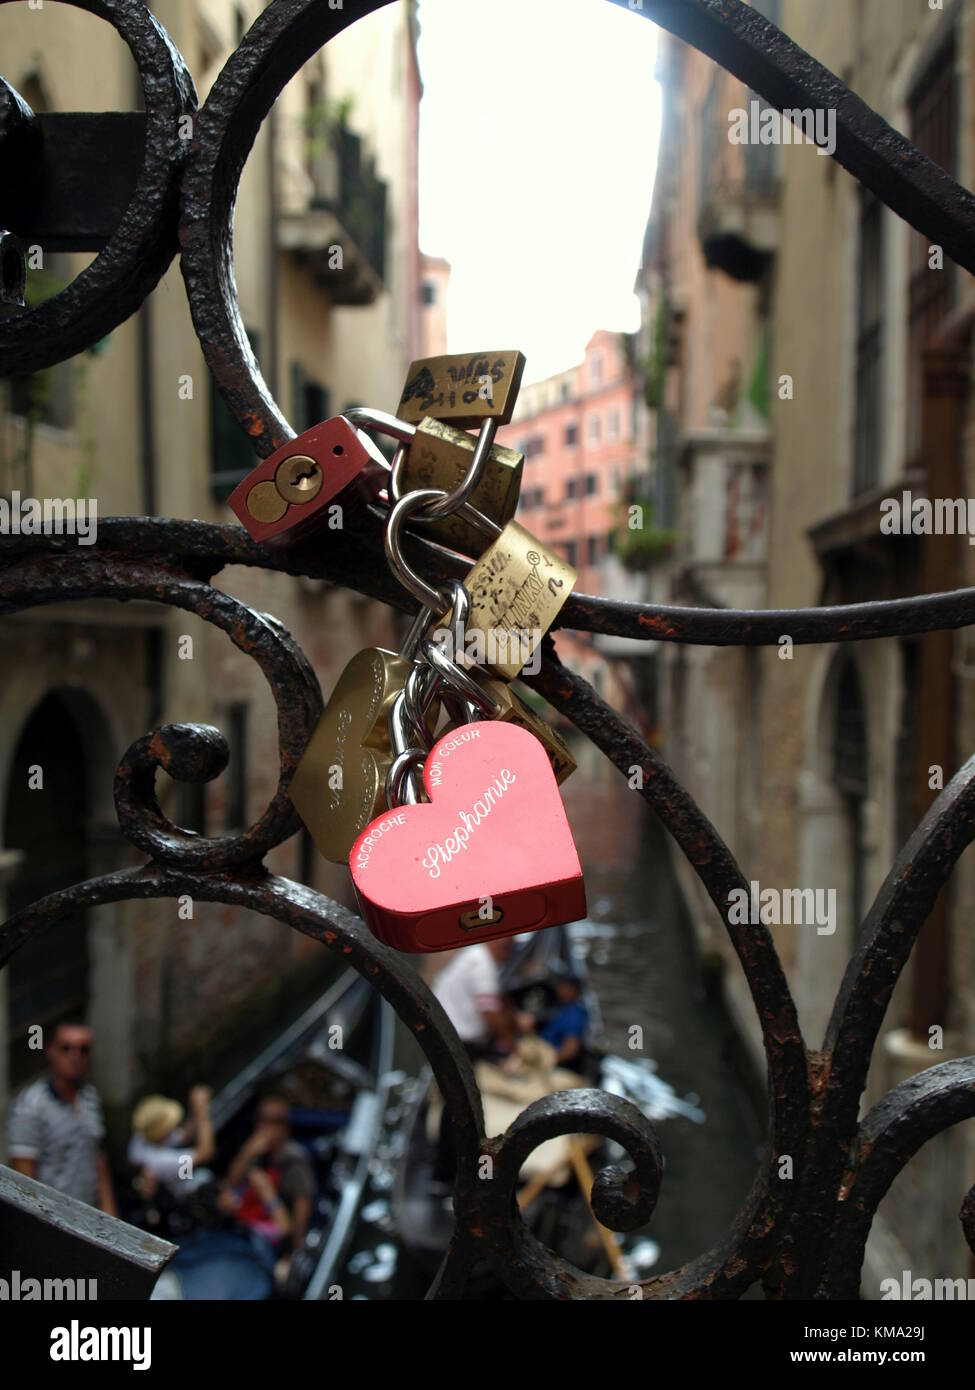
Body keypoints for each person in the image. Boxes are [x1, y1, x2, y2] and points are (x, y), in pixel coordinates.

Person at [8, 1018, 117, 1215]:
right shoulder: (32, 1105)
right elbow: (22, 1180)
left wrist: (111, 1216)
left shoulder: (89, 1097)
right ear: (51, 1051)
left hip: (90, 1221)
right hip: (51, 1223)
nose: (75, 1056)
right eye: (66, 1048)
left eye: (83, 1049)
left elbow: (97, 1158)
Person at [222, 1093, 316, 1253]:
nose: (266, 1128)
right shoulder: (254, 1152)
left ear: (285, 1128)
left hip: (270, 1237)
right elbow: (230, 1184)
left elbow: (302, 1213)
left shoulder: (293, 1161)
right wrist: (247, 1153)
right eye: (262, 1120)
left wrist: (293, 1254)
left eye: (274, 1122)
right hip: (241, 1228)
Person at [431, 937, 516, 1061]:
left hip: (450, 1034)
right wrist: (509, 1040)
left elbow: (499, 998)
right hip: (457, 1040)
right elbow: (490, 1012)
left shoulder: (476, 955)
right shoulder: (482, 963)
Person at [128, 1085, 215, 1200]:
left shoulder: (142, 1134)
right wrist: (203, 1112)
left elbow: (183, 1136)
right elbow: (206, 1153)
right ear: (162, 1134)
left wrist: (196, 1106)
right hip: (185, 1193)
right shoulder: (160, 1162)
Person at [537, 972, 589, 1070]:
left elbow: (570, 1049)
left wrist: (547, 1061)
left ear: (574, 991)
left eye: (564, 987)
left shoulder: (575, 1015)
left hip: (553, 1063)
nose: (559, 989)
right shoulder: (559, 1008)